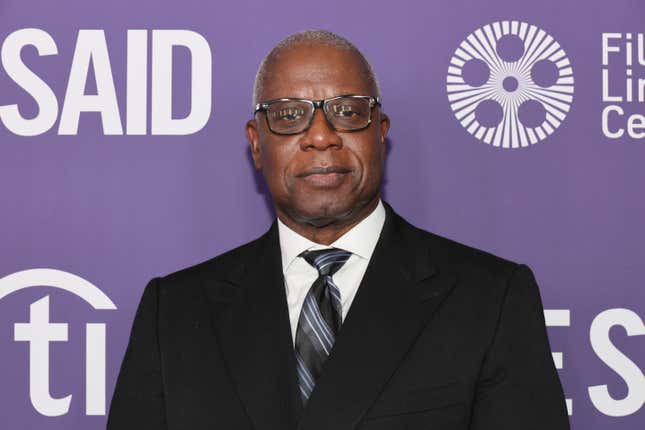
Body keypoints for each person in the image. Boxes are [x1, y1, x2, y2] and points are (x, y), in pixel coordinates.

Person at [107, 29, 570, 430]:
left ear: (381, 133)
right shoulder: (175, 312)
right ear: (255, 143)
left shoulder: (489, 300)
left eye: (348, 111)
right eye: (289, 115)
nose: (321, 134)